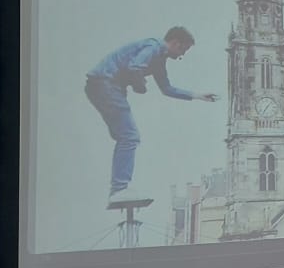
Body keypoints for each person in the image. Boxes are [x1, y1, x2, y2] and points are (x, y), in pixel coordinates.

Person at [85, 26, 218, 208]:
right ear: (175, 43)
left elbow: (167, 89)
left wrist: (198, 95)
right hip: (106, 84)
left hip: (102, 86)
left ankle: (118, 188)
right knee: (129, 136)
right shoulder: (154, 47)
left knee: (125, 137)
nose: (182, 55)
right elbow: (134, 66)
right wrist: (139, 84)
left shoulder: (159, 60)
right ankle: (119, 189)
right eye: (183, 49)